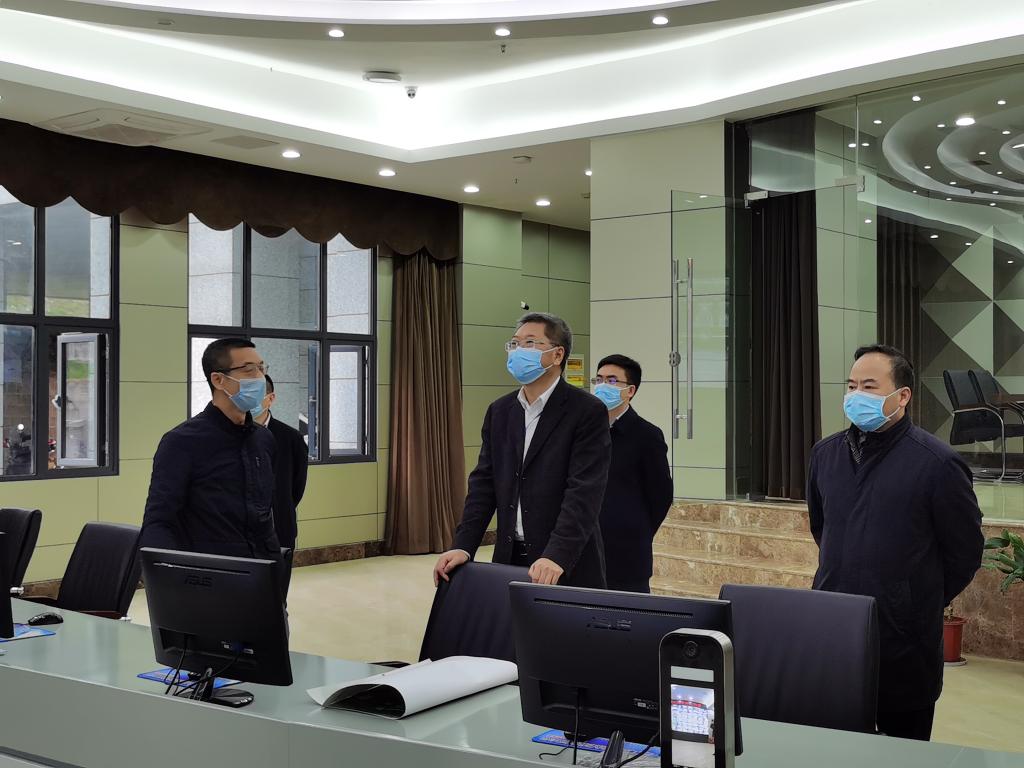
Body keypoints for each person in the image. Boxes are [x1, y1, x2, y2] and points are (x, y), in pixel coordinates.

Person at [807, 344, 983, 741]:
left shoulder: (937, 463)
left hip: (903, 638)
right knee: (834, 745)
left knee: (903, 747)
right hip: (834, 625)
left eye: (869, 386)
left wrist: (912, 598)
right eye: (851, 386)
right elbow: (822, 528)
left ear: (902, 396)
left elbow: (964, 552)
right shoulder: (825, 454)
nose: (856, 395)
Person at [433, 312, 611, 588]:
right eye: (514, 343)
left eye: (530, 343)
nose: (518, 351)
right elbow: (483, 484)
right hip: (509, 556)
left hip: (563, 561)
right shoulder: (500, 411)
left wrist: (556, 555)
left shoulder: (586, 411)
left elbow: (584, 492)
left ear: (557, 354)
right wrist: (463, 545)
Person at [140, 338, 281, 563]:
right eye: (249, 370)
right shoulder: (182, 442)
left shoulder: (263, 439)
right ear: (218, 379)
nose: (259, 377)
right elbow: (160, 520)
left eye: (261, 368)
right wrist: (163, 574)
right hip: (212, 572)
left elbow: (267, 510)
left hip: (265, 568)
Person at [592, 354, 673, 593]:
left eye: (612, 380)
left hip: (626, 552)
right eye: (598, 379)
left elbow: (660, 496)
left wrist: (636, 528)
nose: (602, 385)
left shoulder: (647, 435)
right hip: (584, 546)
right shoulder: (585, 430)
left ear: (630, 390)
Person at [252, 374, 308, 555]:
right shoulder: (229, 435)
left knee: (279, 572)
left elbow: (297, 487)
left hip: (279, 527)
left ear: (270, 398)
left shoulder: (291, 438)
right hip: (237, 534)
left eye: (255, 395)